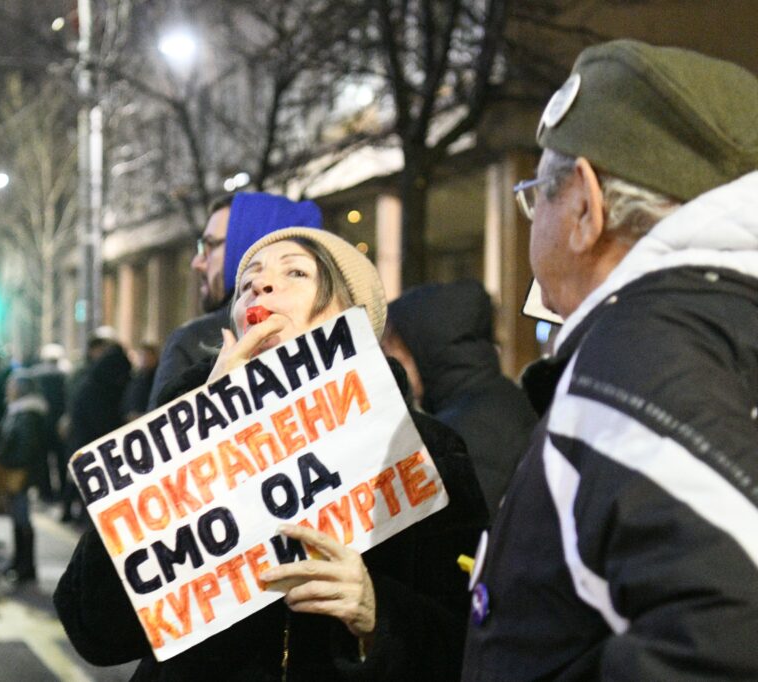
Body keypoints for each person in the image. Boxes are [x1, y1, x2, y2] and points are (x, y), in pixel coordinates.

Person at [54, 228, 488, 680]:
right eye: (247, 285)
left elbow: (469, 640)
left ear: (353, 316)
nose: (260, 287)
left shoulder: (423, 450)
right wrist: (193, 435)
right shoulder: (179, 436)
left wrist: (378, 612)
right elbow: (94, 629)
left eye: (296, 272)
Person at [461, 41, 758, 678]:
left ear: (585, 210)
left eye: (538, 193)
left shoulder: (640, 358)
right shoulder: (717, 329)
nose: (532, 213)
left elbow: (728, 637)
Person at [146, 192, 323, 410]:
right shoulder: (194, 345)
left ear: (250, 240)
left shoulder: (192, 340)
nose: (197, 262)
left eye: (211, 246)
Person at [383, 281, 538, 520]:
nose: (390, 362)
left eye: (393, 349)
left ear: (423, 349)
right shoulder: (502, 399)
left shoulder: (461, 433)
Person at [61, 337, 131, 524]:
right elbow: (102, 422)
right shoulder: (99, 388)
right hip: (91, 445)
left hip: (83, 442)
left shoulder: (92, 380)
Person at [0, 371, 49, 583]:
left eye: (12, 385)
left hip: (22, 473)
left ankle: (25, 566)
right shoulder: (18, 410)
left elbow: (26, 447)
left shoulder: (27, 413)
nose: (8, 389)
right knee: (17, 518)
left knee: (22, 517)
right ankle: (18, 562)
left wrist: (7, 461)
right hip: (19, 472)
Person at [31, 343, 69, 501]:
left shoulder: (36, 375)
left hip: (42, 422)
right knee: (61, 460)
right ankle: (62, 491)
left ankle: (45, 492)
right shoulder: (64, 376)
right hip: (59, 422)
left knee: (43, 460)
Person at [121, 343, 159, 422]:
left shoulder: (158, 378)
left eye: (147, 355)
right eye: (141, 356)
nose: (144, 359)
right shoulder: (135, 379)